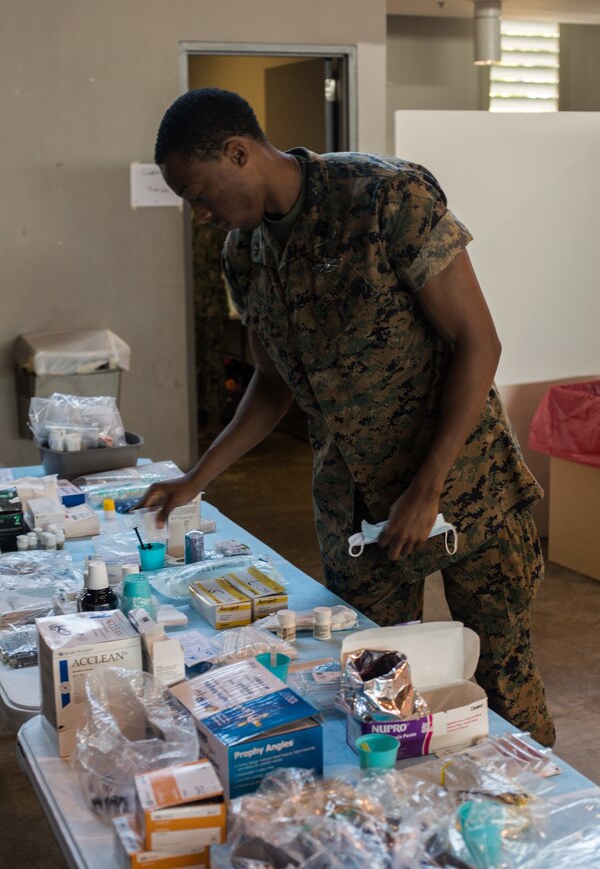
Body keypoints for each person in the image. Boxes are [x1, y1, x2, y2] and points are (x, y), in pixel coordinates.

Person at [140, 87, 555, 746]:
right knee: (377, 686)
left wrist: (430, 484)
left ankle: (529, 820)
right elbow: (271, 384)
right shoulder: (244, 255)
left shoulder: (384, 198)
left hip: (464, 485)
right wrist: (198, 477)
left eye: (197, 191)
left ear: (238, 152)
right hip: (358, 507)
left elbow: (479, 342)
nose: (199, 212)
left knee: (500, 679)